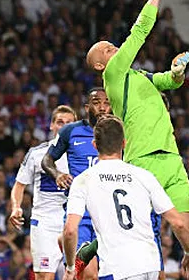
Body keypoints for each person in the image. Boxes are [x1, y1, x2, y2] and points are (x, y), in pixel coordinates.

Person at [84, 0, 189, 277]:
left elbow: (166, 81)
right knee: (136, 227)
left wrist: (177, 73)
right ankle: (88, 252)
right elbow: (139, 31)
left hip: (171, 156)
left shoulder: (138, 76)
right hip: (142, 159)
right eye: (105, 48)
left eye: (110, 44)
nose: (112, 46)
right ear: (100, 64)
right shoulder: (112, 75)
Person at [62, 115, 189, 280]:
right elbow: (178, 223)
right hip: (151, 266)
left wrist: (71, 267)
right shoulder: (144, 176)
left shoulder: (83, 180)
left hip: (118, 269)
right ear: (124, 143)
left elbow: (70, 231)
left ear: (94, 145)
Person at [41, 89, 111, 279]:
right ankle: (66, 242)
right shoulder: (71, 131)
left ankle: (64, 242)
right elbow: (47, 160)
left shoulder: (117, 132)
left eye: (107, 103)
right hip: (81, 213)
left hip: (109, 212)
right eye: (97, 103)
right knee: (88, 274)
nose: (103, 107)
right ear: (87, 107)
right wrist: (57, 174)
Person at [9, 105, 77, 280]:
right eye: (60, 122)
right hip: (45, 223)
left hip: (74, 221)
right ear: (52, 126)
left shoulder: (82, 155)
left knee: (82, 275)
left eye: (69, 123)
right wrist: (16, 207)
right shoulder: (37, 154)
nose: (64, 126)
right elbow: (19, 185)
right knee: (45, 277)